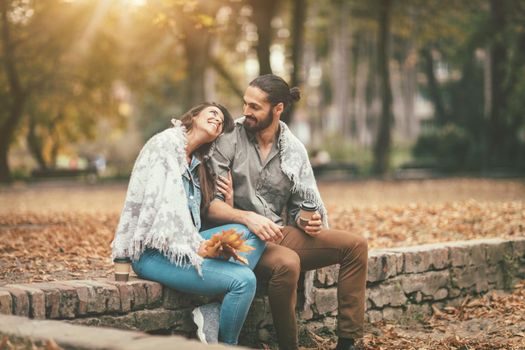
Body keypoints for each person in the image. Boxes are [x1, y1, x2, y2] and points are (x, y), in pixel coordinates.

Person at [207, 75, 368, 350]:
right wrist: (246, 216)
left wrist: (310, 220)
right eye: (245, 104)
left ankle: (347, 342)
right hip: (238, 236)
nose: (246, 112)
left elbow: (303, 206)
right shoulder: (230, 139)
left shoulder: (293, 150)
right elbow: (211, 206)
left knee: (356, 247)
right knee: (288, 263)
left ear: (278, 108)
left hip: (276, 233)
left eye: (255, 107)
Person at [111, 102, 266, 346]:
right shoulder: (165, 146)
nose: (218, 120)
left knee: (254, 233)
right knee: (244, 281)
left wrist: (230, 204)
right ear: (193, 116)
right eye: (212, 113)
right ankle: (226, 344)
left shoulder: (197, 163)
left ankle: (211, 311)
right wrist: (201, 248)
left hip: (187, 244)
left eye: (222, 122)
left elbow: (196, 220)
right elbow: (159, 211)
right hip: (156, 253)